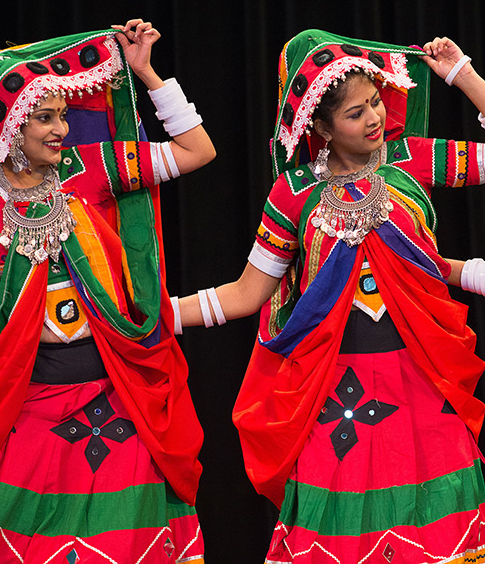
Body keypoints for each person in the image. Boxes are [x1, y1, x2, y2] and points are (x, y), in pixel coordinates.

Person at [0, 19, 215, 563]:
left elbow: (196, 151)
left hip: (116, 404)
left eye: (62, 115)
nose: (61, 129)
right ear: (9, 122)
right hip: (26, 409)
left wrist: (147, 73)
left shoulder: (90, 170)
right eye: (45, 117)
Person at [175, 30, 485, 561]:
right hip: (335, 396)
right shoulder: (293, 194)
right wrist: (154, 316)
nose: (374, 119)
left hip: (422, 379)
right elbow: (248, 295)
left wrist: (464, 75)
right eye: (355, 113)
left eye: (376, 103)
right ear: (318, 125)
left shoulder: (411, 159)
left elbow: (434, 269)